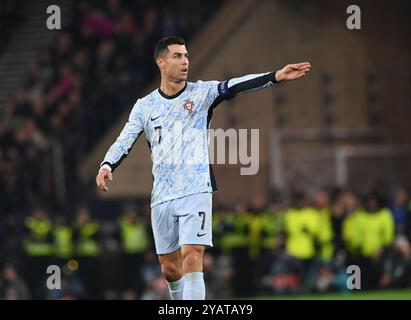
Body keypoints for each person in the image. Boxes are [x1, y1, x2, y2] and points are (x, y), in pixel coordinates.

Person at [96, 36, 311, 300]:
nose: (185, 61)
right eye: (177, 56)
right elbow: (125, 139)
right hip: (162, 195)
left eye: (186, 55)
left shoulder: (201, 93)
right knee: (171, 269)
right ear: (161, 62)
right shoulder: (145, 106)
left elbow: (235, 85)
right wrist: (107, 164)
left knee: (192, 257)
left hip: (196, 189)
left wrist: (275, 75)